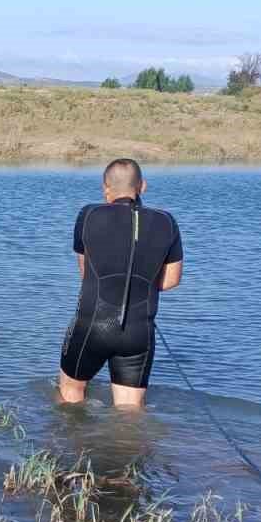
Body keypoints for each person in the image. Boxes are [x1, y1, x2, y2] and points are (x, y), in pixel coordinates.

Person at [58, 158, 182, 408]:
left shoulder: (88, 214)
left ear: (105, 187)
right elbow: (171, 280)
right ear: (143, 186)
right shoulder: (166, 221)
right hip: (139, 331)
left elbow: (86, 272)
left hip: (93, 325)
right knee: (130, 412)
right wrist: (139, 284)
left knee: (70, 393)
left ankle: (70, 435)